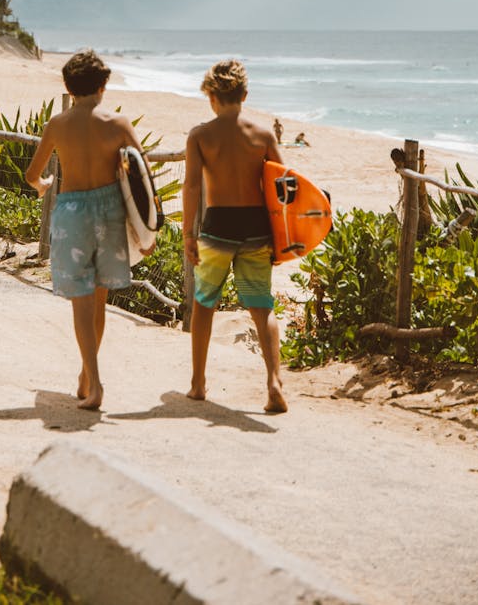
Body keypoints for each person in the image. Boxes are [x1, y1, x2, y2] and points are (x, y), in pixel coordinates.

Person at [25, 49, 151, 411]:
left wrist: (44, 183)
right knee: (98, 302)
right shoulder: (119, 124)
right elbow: (143, 181)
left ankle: (93, 383)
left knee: (80, 302)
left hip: (72, 213)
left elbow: (32, 174)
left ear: (68, 86)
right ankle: (86, 375)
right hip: (110, 211)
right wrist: (148, 233)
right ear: (104, 85)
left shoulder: (57, 125)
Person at [182, 59, 288, 413]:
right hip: (257, 227)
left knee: (204, 303)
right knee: (261, 305)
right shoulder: (263, 135)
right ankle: (274, 380)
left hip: (218, 226)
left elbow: (193, 185)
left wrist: (188, 234)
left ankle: (198, 383)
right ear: (244, 94)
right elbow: (284, 185)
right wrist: (283, 235)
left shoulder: (200, 135)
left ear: (211, 96)